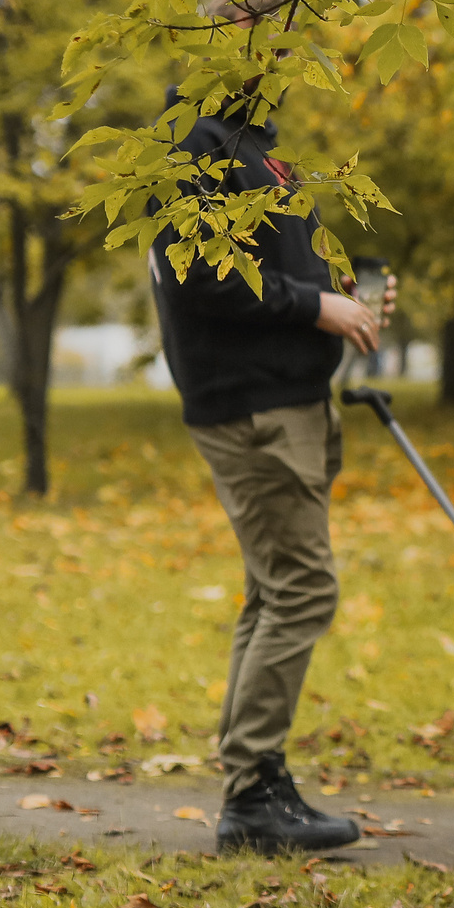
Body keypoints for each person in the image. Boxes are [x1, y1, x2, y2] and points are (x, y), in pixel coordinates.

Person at [150, 81, 395, 855]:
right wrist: (313, 307)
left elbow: (264, 268)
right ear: (230, 37)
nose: (287, 50)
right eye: (269, 26)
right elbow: (203, 278)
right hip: (251, 406)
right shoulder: (196, 149)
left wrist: (338, 295)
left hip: (291, 396)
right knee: (302, 587)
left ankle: (254, 780)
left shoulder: (255, 149)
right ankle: (252, 796)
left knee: (272, 591)